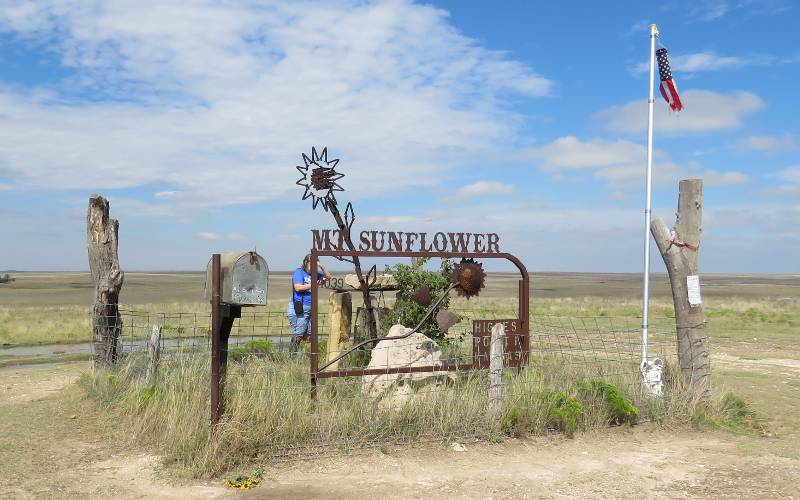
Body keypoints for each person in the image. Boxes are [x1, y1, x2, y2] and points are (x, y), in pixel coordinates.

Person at [287, 254, 331, 353]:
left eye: (316, 263)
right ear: (306, 262)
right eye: (312, 262)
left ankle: (308, 358)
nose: (314, 265)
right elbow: (297, 287)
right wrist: (314, 284)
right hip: (301, 306)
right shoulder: (299, 272)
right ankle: (291, 357)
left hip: (311, 307)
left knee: (310, 336)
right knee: (299, 334)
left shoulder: (315, 274)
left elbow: (328, 277)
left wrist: (322, 266)